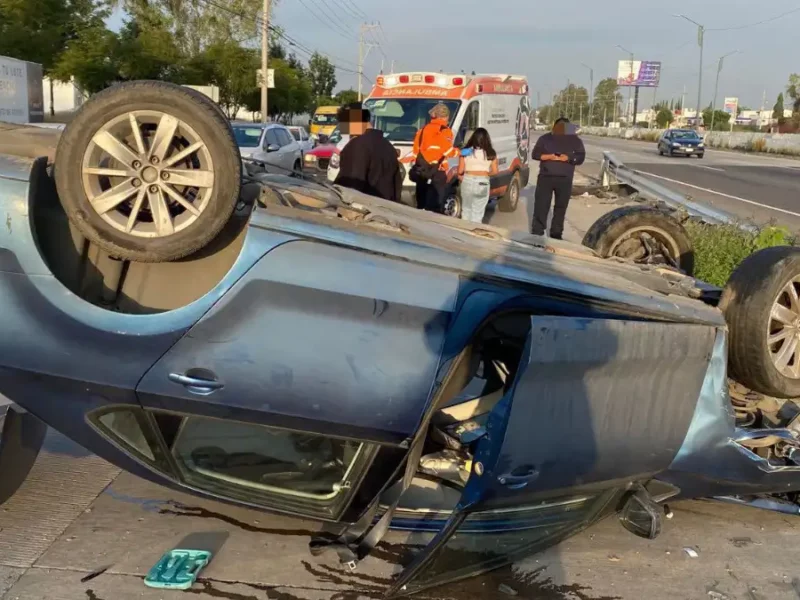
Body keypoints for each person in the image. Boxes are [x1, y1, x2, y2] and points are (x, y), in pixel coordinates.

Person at [333, 103, 402, 202]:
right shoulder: (388, 146)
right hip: (386, 211)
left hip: (362, 210)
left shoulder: (357, 146)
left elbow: (351, 184)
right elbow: (397, 186)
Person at [530, 117, 586, 239]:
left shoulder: (575, 141)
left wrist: (569, 158)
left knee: (560, 208)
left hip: (565, 179)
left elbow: (580, 157)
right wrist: (549, 156)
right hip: (546, 178)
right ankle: (537, 233)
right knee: (541, 206)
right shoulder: (545, 138)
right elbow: (535, 154)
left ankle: (556, 234)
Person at [411, 103, 458, 213]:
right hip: (438, 170)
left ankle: (421, 211)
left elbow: (415, 151)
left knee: (421, 199)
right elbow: (448, 151)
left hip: (422, 168)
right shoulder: (445, 131)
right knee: (437, 202)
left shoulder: (422, 130)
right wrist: (460, 152)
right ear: (444, 117)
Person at [457, 128, 498, 223]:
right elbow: (495, 171)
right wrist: (486, 174)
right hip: (483, 182)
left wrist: (460, 176)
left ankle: (464, 233)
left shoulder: (465, 152)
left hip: (467, 180)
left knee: (466, 210)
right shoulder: (491, 153)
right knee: (477, 213)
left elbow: (460, 170)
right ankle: (473, 235)